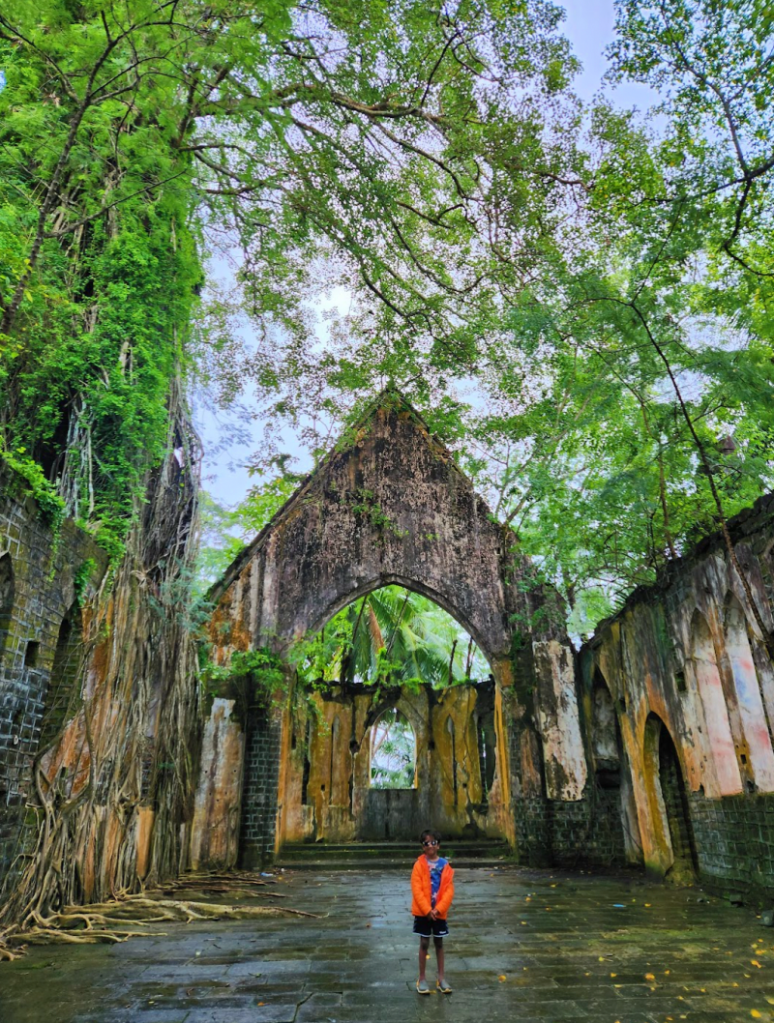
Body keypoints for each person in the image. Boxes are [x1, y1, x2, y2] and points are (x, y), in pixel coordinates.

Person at [411, 828, 454, 994]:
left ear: (439, 845)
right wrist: (427, 910)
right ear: (423, 847)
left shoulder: (445, 866)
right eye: (426, 843)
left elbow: (449, 890)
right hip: (423, 913)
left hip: (439, 912)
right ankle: (421, 978)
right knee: (423, 943)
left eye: (433, 842)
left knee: (439, 942)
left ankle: (441, 977)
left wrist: (439, 909)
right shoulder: (419, 865)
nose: (430, 846)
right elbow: (417, 889)